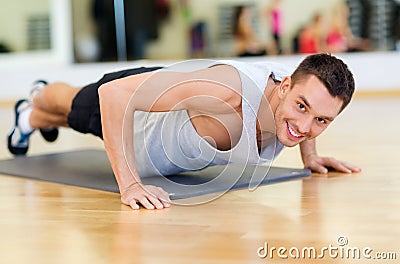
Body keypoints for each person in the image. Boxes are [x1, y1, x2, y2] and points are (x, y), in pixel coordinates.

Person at [7, 53, 361, 210]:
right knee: (73, 105)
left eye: (321, 121)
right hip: (136, 116)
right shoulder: (228, 92)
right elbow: (112, 95)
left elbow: (313, 108)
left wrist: (311, 156)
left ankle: (30, 118)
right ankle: (39, 95)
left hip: (166, 126)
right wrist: (129, 184)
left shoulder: (300, 89)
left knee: (68, 118)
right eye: (301, 108)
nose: (304, 127)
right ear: (284, 87)